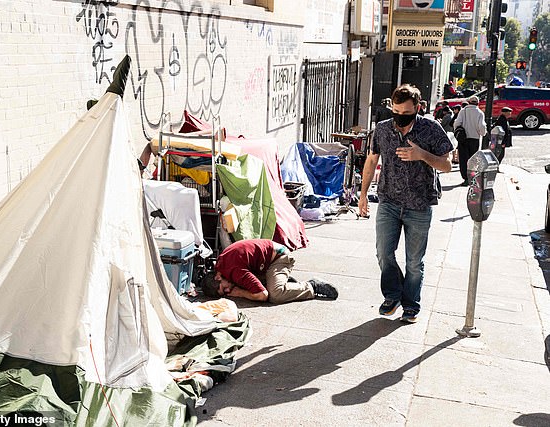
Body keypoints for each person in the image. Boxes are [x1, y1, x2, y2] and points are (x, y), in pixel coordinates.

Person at [358, 84, 453, 323]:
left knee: (414, 261)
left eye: (406, 112)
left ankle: (411, 305)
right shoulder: (381, 129)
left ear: (418, 108)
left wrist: (422, 155)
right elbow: (371, 162)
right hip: (388, 201)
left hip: (419, 205)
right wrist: (362, 195)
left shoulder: (431, 129)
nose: (400, 117)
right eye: (396, 111)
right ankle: (392, 295)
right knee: (383, 253)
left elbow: (447, 164)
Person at [200, 239, 338, 303]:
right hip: (264, 263)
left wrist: (241, 293)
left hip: (280, 257)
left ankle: (311, 286)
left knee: (275, 295)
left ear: (218, 277)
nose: (229, 292)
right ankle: (281, 282)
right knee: (249, 287)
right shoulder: (221, 268)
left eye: (224, 289)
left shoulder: (234, 270)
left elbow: (262, 295)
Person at [453, 95, 487, 186]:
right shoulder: (480, 113)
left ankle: (465, 178)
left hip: (463, 139)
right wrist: (483, 133)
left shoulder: (463, 111)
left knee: (463, 159)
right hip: (474, 139)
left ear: (469, 102)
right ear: (478, 103)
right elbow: (482, 127)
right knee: (473, 160)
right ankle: (472, 177)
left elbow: (457, 123)